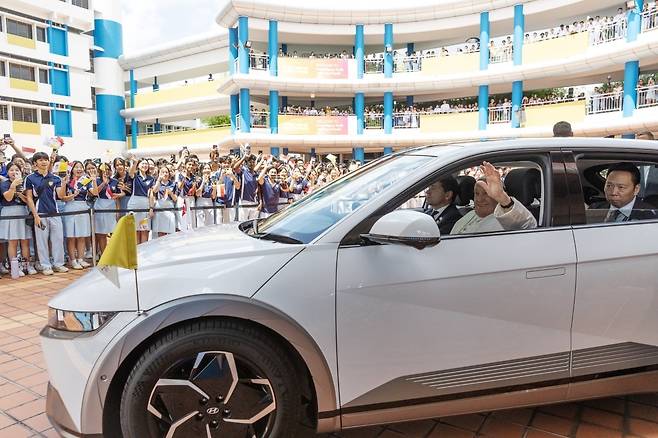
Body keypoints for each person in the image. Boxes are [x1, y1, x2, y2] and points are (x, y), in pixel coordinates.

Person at [450, 162, 537, 235]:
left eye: (486, 193)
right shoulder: (469, 214)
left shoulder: (507, 220)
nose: (479, 199)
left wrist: (502, 197)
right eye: (477, 193)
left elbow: (527, 227)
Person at [25, 152, 69, 275]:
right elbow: (29, 198)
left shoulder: (56, 178)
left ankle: (58, 264)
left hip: (55, 213)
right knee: (41, 241)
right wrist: (36, 216)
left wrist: (64, 181)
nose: (44, 162)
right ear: (35, 163)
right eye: (40, 160)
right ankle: (45, 266)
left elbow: (60, 196)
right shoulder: (30, 178)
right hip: (40, 214)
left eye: (45, 159)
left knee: (58, 239)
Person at [0, 162, 37, 277]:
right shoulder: (4, 184)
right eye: (11, 170)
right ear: (7, 172)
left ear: (21, 172)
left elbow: (29, 200)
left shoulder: (25, 183)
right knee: (13, 242)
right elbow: (8, 197)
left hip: (23, 211)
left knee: (25, 241)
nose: (14, 172)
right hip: (9, 212)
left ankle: (26, 265)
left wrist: (21, 194)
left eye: (17, 170)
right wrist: (13, 186)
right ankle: (15, 267)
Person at [590, 162, 657, 222]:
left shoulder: (651, 217)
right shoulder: (594, 210)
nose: (613, 192)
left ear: (636, 189)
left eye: (621, 187)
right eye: (609, 186)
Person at [62, 161, 93, 269]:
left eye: (81, 167)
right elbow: (62, 197)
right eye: (76, 167)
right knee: (71, 236)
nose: (79, 169)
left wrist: (94, 180)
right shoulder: (67, 181)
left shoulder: (86, 181)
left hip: (83, 207)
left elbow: (94, 193)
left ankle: (81, 258)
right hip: (70, 207)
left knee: (81, 235)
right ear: (72, 169)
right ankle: (73, 260)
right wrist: (71, 196)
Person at [90, 163, 123, 254]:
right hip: (100, 205)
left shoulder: (114, 181)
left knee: (114, 232)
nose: (106, 171)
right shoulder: (96, 180)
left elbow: (120, 195)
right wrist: (104, 183)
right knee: (101, 233)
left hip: (111, 205)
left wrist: (118, 210)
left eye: (108, 169)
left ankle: (113, 253)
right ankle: (103, 254)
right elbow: (95, 193)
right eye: (104, 170)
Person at [127, 157, 155, 244]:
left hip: (145, 204)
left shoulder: (151, 178)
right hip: (134, 203)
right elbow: (131, 172)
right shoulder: (135, 176)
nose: (144, 165)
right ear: (138, 166)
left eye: (146, 164)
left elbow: (151, 194)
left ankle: (144, 253)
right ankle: (137, 253)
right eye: (142, 163)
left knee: (144, 230)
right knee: (135, 230)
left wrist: (151, 208)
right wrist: (134, 163)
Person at [151, 166, 179, 237]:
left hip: (169, 208)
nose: (165, 174)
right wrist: (158, 180)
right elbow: (154, 191)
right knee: (160, 233)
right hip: (159, 208)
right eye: (162, 172)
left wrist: (170, 193)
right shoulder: (156, 182)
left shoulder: (173, 184)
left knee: (170, 232)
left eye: (166, 172)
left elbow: (175, 199)